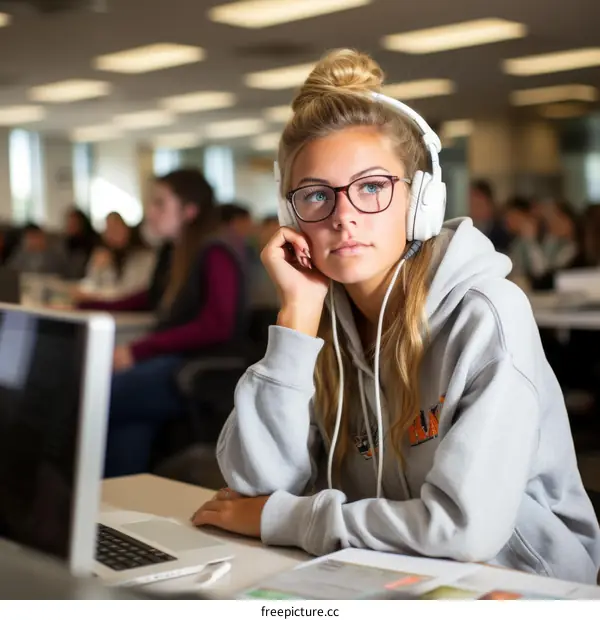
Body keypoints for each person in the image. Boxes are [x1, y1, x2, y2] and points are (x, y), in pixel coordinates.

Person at [192, 49, 600, 584]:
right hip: (386, 572)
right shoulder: (321, 322)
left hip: (525, 583)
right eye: (316, 195)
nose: (344, 217)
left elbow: (463, 530)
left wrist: (290, 519)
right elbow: (254, 488)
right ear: (293, 217)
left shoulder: (486, 316)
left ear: (421, 199)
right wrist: (296, 318)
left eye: (371, 187)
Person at [79, 168, 247, 477]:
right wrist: (86, 302)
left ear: (190, 210)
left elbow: (216, 325)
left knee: (99, 395)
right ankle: (117, 504)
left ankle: (105, 499)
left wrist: (138, 351)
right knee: (132, 419)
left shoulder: (215, 251)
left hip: (198, 367)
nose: (150, 212)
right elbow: (151, 297)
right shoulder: (177, 252)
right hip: (174, 361)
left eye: (160, 204)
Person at [76, 211, 155, 299]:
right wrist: (96, 268)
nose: (112, 234)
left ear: (127, 229)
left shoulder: (143, 256)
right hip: (105, 308)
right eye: (108, 230)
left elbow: (128, 292)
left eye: (116, 228)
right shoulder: (102, 254)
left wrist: (98, 295)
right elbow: (90, 284)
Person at [469, 180, 512, 253]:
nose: (473, 209)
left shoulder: (502, 236)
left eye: (478, 204)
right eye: (471, 204)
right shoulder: (464, 231)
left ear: (489, 205)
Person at [61, 207, 98, 280]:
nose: (70, 226)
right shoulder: (66, 242)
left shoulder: (93, 242)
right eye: (68, 222)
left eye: (74, 223)